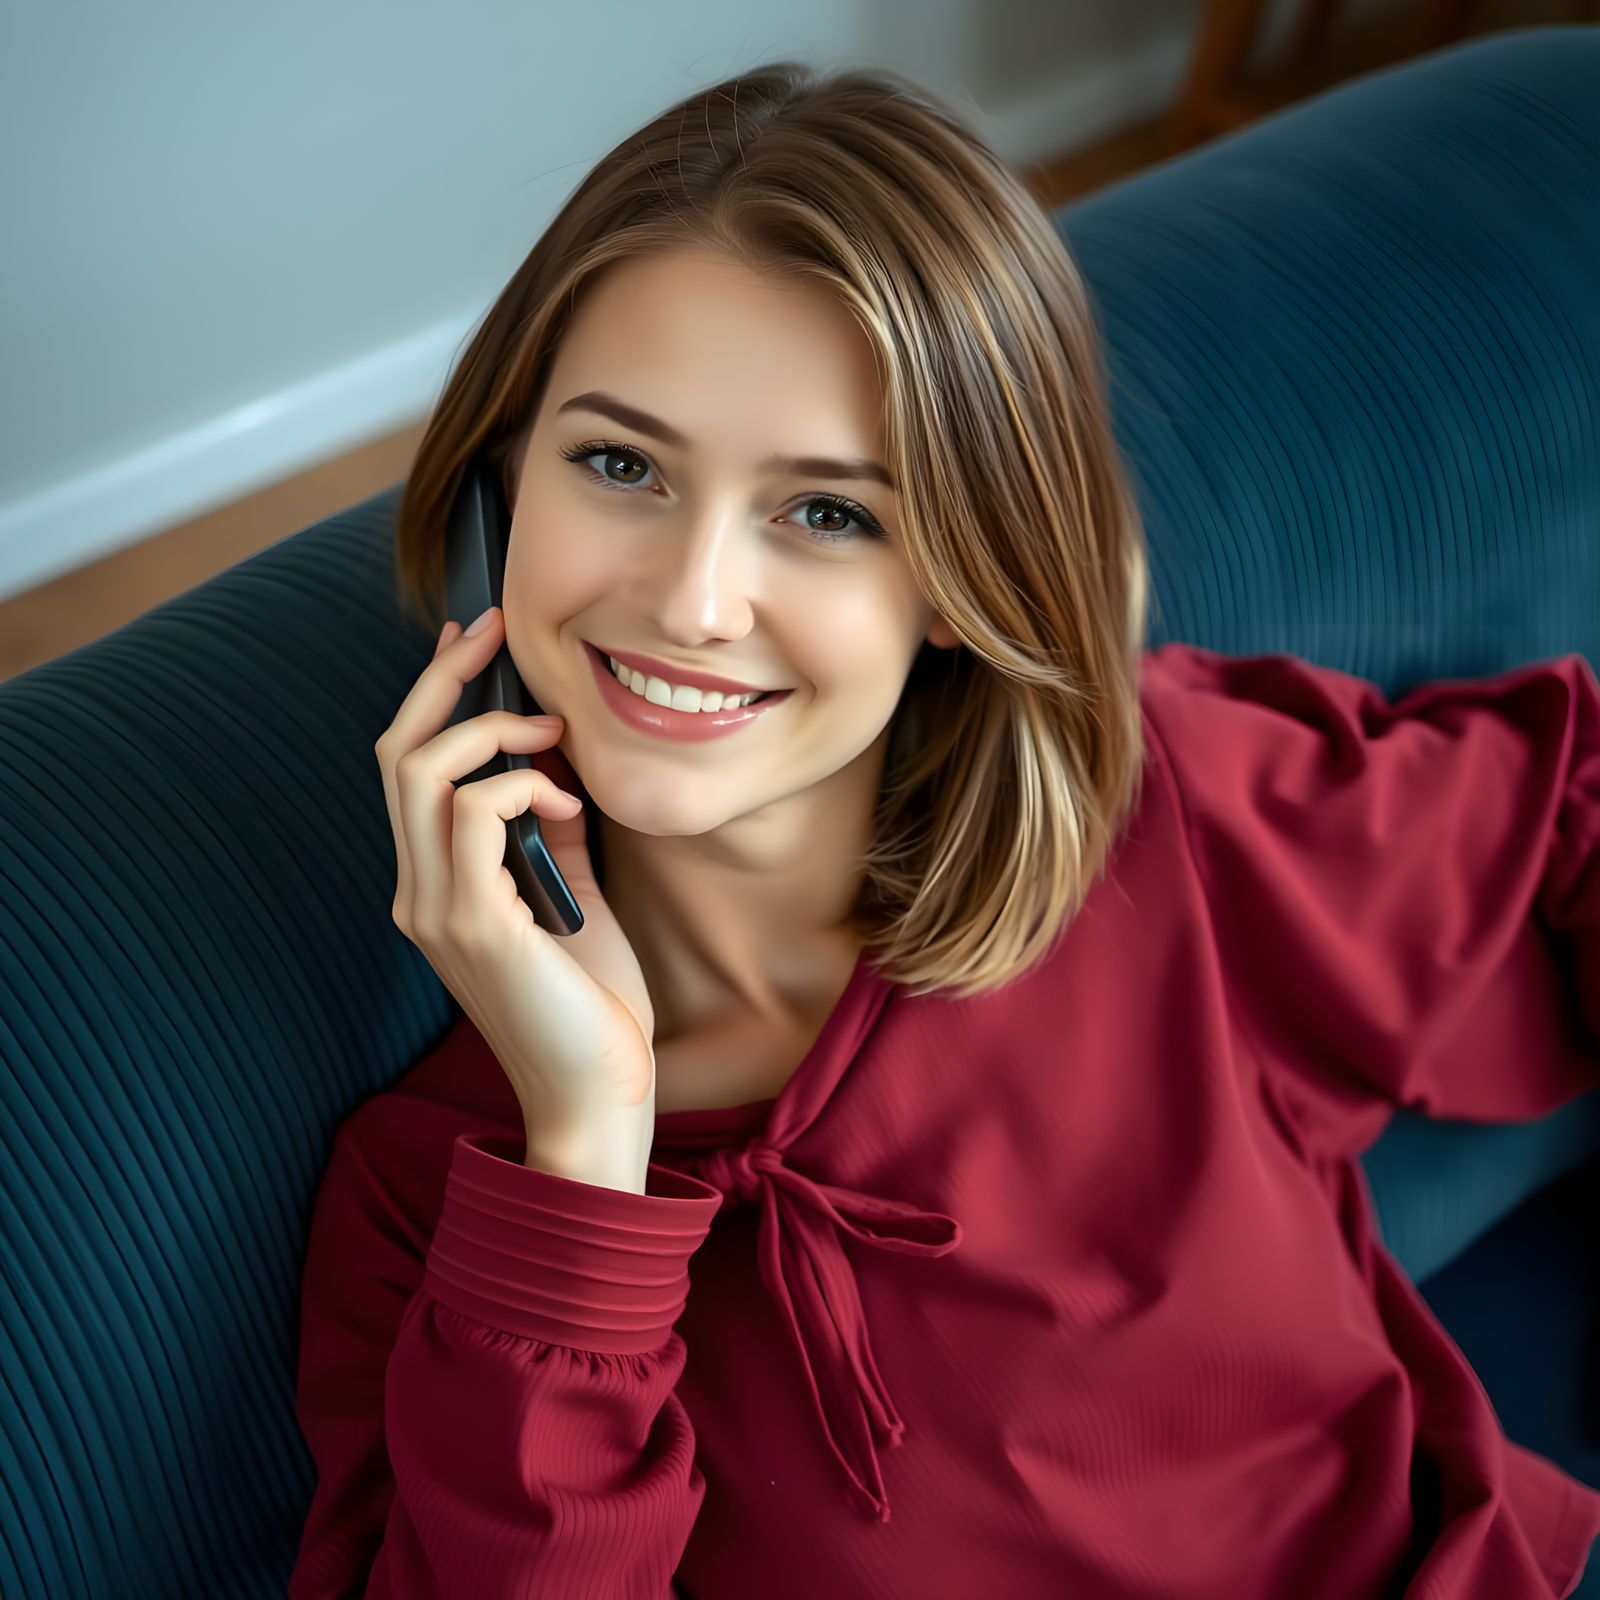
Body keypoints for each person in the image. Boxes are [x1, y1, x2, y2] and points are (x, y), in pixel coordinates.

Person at [289, 59, 1600, 1599]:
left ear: (964, 582)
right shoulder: (438, 1198)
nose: (693, 601)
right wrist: (586, 1163)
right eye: (621, 464)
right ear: (506, 484)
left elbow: (1558, 821)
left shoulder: (1162, 824)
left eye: (829, 511)